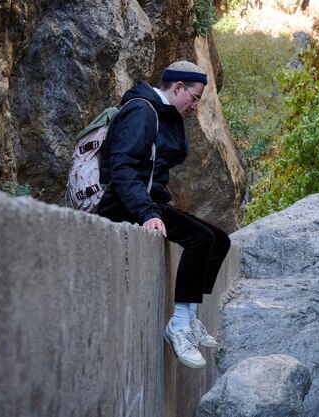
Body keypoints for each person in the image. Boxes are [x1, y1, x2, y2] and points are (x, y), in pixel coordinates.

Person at [97, 61, 231, 369]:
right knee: (200, 239)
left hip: (150, 202)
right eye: (195, 98)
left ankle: (190, 317)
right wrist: (146, 213)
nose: (195, 106)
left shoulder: (164, 113)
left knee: (219, 241)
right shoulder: (142, 111)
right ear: (179, 87)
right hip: (126, 206)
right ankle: (178, 325)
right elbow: (122, 168)